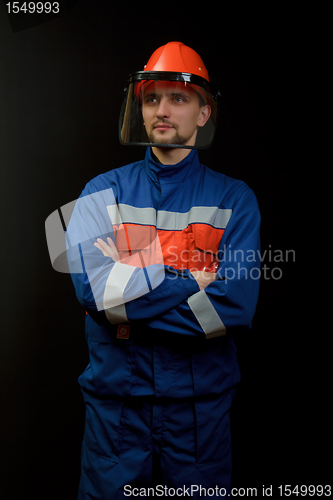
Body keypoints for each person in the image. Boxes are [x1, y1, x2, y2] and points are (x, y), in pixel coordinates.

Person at [66, 41, 261, 499]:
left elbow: (234, 306)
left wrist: (129, 291)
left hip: (199, 415)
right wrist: (192, 280)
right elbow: (93, 293)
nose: (162, 110)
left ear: (204, 112)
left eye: (178, 98)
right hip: (117, 409)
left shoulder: (235, 200)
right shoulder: (101, 191)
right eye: (152, 98)